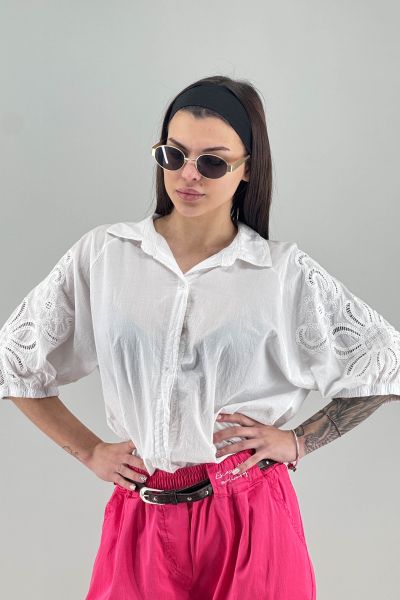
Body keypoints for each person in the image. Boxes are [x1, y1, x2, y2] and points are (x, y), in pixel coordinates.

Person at [1, 75, 399, 600]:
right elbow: (15, 361)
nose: (188, 174)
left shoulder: (281, 273)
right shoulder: (104, 255)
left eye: (213, 162)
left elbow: (385, 361)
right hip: (141, 517)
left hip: (250, 518)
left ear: (248, 168)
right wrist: (90, 450)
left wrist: (299, 441)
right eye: (174, 155)